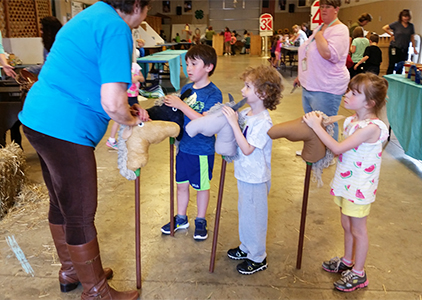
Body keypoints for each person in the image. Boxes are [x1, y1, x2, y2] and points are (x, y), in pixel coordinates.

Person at [18, 1, 151, 299]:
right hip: (66, 128)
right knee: (79, 212)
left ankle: (72, 270)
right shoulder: (117, 27)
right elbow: (112, 104)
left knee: (61, 202)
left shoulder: (93, 14)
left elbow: (87, 77)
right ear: (139, 6)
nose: (143, 19)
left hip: (39, 118)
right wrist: (130, 119)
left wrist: (122, 108)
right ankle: (95, 291)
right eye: (146, 12)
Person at [303, 73, 389, 292]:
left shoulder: (373, 127)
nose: (346, 95)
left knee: (358, 229)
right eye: (349, 90)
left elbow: (338, 148)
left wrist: (316, 127)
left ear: (370, 103)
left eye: (354, 93)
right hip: (345, 182)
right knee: (346, 224)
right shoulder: (351, 121)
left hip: (360, 187)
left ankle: (359, 273)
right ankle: (348, 260)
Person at [222, 65, 283, 275]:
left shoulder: (264, 122)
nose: (242, 90)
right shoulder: (247, 113)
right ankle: (246, 247)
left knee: (255, 217)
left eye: (248, 86)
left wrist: (233, 124)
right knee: (245, 214)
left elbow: (247, 148)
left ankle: (258, 257)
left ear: (263, 93)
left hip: (256, 178)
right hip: (244, 174)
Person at [160, 44, 222, 240]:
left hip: (202, 150)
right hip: (184, 148)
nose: (188, 68)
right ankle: (181, 217)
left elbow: (205, 121)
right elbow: (177, 115)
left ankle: (201, 220)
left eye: (194, 64)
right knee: (181, 185)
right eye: (187, 64)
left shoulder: (214, 94)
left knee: (202, 187)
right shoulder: (186, 89)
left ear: (208, 67)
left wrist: (181, 104)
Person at [294, 0, 349, 141]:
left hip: (326, 87)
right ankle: (315, 153)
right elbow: (307, 53)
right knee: (312, 123)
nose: (323, 10)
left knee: (326, 124)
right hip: (310, 84)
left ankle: (328, 155)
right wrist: (301, 76)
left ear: (336, 9)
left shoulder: (339, 29)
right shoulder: (320, 27)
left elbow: (329, 54)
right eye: (322, 7)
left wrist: (319, 35)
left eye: (328, 7)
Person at [106, 46, 145, 149]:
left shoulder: (135, 66)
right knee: (119, 118)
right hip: (125, 96)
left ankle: (132, 137)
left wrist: (137, 78)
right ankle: (111, 139)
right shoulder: (120, 67)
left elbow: (142, 78)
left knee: (135, 115)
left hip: (134, 96)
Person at [383, 9, 418, 75]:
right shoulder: (396, 24)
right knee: (392, 65)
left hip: (404, 48)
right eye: (404, 16)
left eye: (407, 16)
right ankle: (388, 79)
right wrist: (391, 34)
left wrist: (414, 48)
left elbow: (412, 37)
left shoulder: (411, 26)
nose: (406, 18)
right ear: (401, 17)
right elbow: (384, 28)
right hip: (395, 47)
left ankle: (397, 79)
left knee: (401, 65)